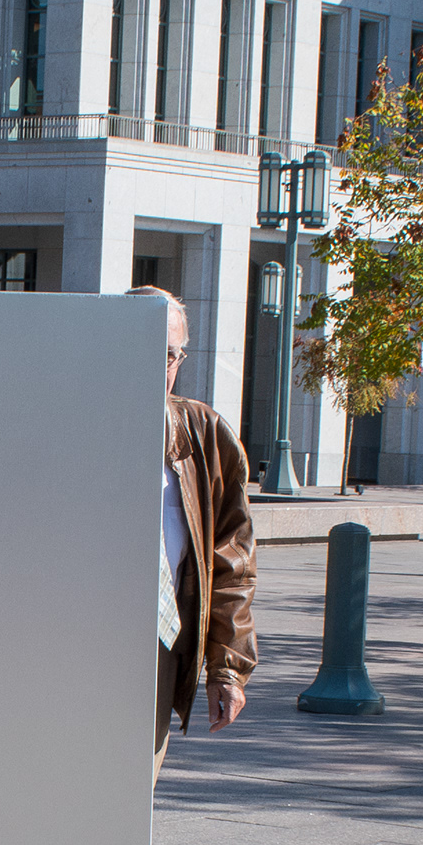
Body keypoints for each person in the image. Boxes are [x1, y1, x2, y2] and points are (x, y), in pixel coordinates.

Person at [149, 290, 255, 771]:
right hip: (68, 641)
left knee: (132, 791)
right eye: (140, 346)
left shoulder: (205, 434)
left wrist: (226, 668)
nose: (155, 364)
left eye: (168, 353)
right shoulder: (64, 422)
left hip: (157, 644)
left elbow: (232, 559)